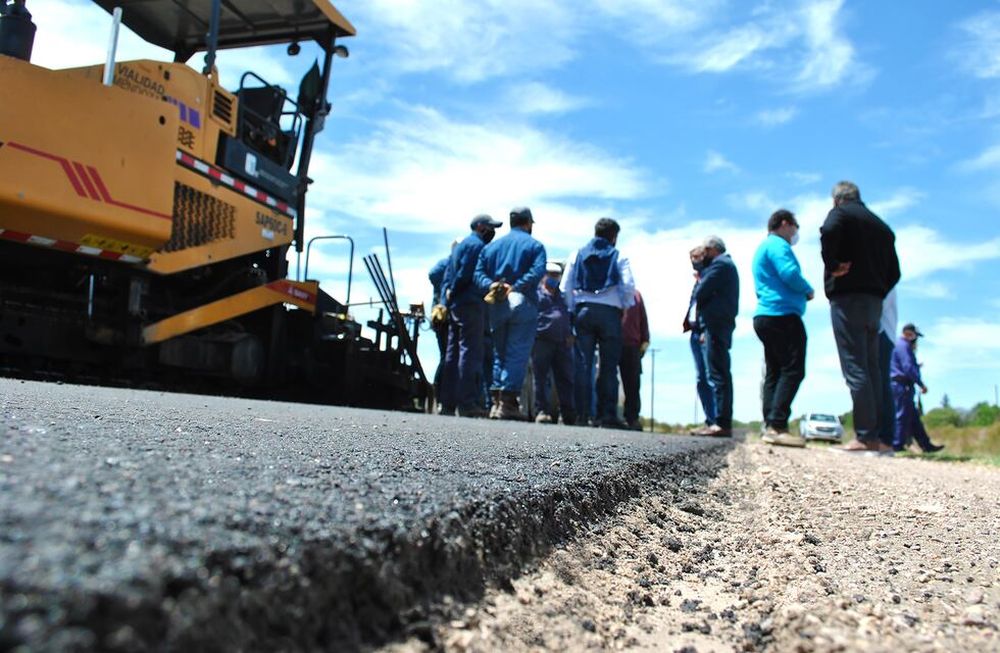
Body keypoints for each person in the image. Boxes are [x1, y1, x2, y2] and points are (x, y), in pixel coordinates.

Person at [820, 181, 901, 453]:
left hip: (848, 298)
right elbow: (895, 274)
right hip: (874, 301)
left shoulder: (841, 214)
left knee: (855, 367)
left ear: (837, 199)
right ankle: (875, 436)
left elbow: (829, 229)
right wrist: (877, 288)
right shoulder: (882, 227)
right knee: (872, 368)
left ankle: (865, 437)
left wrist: (833, 265)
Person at [475, 207, 547, 420]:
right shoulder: (535, 246)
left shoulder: (492, 247)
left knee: (500, 352)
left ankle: (496, 403)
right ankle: (508, 404)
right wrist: (515, 287)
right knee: (517, 351)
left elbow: (478, 273)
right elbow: (537, 271)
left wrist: (492, 284)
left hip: (497, 303)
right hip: (522, 301)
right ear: (528, 223)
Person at [562, 217, 635, 429]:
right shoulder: (618, 255)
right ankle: (606, 415)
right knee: (609, 366)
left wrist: (572, 308)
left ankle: (582, 415)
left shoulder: (577, 254)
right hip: (610, 313)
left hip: (583, 310)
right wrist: (623, 306)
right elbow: (629, 286)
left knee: (583, 365)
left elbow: (565, 286)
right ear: (614, 236)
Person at [752, 209, 814, 448]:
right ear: (785, 223)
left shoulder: (764, 247)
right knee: (793, 369)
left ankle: (770, 425)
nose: (795, 234)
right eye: (795, 228)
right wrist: (808, 289)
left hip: (766, 315)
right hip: (782, 314)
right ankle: (777, 425)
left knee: (775, 372)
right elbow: (789, 273)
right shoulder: (778, 245)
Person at [440, 214, 502, 417]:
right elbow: (466, 274)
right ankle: (467, 403)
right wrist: (456, 290)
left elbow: (449, 275)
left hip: (457, 304)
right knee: (470, 352)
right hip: (471, 302)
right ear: (481, 227)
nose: (492, 232)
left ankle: (447, 403)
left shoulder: (460, 245)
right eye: (491, 227)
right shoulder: (477, 246)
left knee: (452, 354)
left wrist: (449, 296)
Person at [690, 236, 739, 437]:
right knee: (716, 373)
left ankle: (722, 422)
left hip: (716, 325)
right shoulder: (722, 265)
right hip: (714, 324)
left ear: (712, 250)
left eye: (704, 252)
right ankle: (716, 421)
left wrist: (702, 274)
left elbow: (700, 292)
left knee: (718, 373)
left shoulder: (721, 265)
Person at [531, 261, 576, 425]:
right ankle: (541, 411)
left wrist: (571, 333)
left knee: (565, 379)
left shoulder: (564, 296)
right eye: (550, 274)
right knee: (541, 378)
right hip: (541, 341)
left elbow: (571, 315)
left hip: (562, 343)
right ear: (544, 275)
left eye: (556, 275)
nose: (553, 277)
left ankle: (567, 414)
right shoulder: (536, 294)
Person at [890, 324, 944, 453]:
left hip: (900, 385)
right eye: (915, 336)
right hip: (901, 386)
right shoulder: (904, 346)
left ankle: (926, 445)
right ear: (909, 333)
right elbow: (908, 367)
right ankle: (896, 445)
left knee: (913, 418)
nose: (915, 340)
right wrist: (921, 384)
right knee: (902, 415)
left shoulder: (899, 345)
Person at [684, 246, 716, 428]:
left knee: (711, 376)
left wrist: (705, 329)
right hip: (695, 332)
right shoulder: (698, 280)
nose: (694, 262)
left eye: (697, 258)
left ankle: (717, 419)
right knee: (701, 378)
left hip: (705, 331)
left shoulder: (711, 277)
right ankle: (709, 419)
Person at [619, 290, 650, 431]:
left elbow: (643, 318)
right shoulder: (611, 291)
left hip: (632, 343)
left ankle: (632, 418)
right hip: (611, 341)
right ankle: (606, 415)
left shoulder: (637, 295)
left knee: (633, 383)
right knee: (607, 380)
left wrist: (645, 339)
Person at [876, 288, 898, 450]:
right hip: (883, 332)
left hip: (882, 332)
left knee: (881, 384)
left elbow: (879, 306)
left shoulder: (887, 280)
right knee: (880, 384)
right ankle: (882, 437)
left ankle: (884, 438)